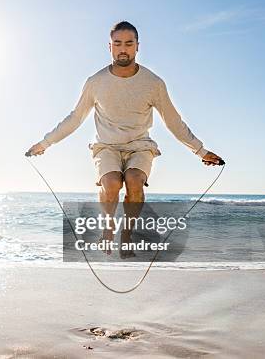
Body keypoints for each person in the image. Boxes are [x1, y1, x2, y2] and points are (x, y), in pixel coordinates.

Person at [26, 21, 223, 258]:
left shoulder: (154, 83)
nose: (123, 48)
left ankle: (127, 235)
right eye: (117, 43)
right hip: (106, 146)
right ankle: (108, 229)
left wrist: (200, 151)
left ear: (137, 47)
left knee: (134, 180)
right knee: (111, 183)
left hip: (140, 146)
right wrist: (44, 144)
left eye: (129, 43)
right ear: (109, 46)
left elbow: (173, 121)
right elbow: (75, 117)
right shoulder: (95, 82)